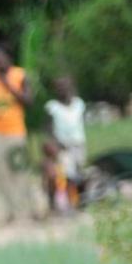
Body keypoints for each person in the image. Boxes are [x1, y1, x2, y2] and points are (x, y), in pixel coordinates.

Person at [0, 45, 34, 223]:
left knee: (19, 169)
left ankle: (26, 209)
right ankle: (8, 211)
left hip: (16, 131)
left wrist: (7, 85)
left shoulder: (20, 75)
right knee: (0, 172)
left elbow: (28, 101)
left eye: (1, 58)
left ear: (8, 58)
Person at [42, 76, 87, 212]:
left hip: (78, 144)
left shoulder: (79, 104)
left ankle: (81, 202)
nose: (62, 89)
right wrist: (54, 143)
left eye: (65, 86)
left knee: (80, 175)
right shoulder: (52, 107)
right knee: (66, 176)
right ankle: (65, 205)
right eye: (59, 87)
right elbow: (48, 128)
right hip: (61, 146)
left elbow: (80, 123)